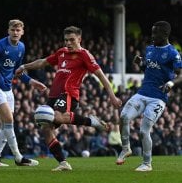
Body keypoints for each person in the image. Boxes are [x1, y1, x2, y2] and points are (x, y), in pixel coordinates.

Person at [16, 26, 122, 171]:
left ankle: (91, 121)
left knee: (58, 117)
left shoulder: (85, 55)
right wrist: (24, 66)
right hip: (53, 95)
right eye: (66, 40)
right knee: (46, 130)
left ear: (79, 39)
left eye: (72, 40)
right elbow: (43, 62)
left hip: (69, 94)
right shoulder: (62, 52)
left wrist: (112, 96)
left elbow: (101, 75)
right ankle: (63, 163)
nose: (68, 43)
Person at [116, 21, 182, 171]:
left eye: (155, 33)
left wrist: (171, 84)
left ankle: (147, 163)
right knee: (124, 116)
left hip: (158, 98)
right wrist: (141, 64)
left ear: (165, 34)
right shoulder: (150, 49)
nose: (152, 36)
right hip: (142, 93)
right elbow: (149, 69)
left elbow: (181, 75)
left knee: (143, 130)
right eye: (152, 32)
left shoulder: (173, 53)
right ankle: (126, 148)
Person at [0, 19, 47, 167]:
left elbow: (17, 71)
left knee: (6, 124)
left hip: (8, 89)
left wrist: (31, 82)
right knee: (9, 119)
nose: (15, 33)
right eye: (13, 30)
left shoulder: (21, 47)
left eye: (18, 30)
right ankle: (18, 157)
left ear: (22, 32)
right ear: (8, 31)